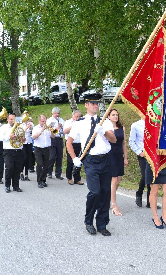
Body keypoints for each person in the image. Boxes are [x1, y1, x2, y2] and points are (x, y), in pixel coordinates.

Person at [67, 93, 116, 236]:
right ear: (86, 105)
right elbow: (69, 142)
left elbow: (113, 140)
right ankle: (88, 221)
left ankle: (102, 224)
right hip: (90, 160)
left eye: (97, 103)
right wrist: (74, 158)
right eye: (92, 103)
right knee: (95, 192)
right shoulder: (79, 122)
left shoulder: (104, 122)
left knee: (106, 192)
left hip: (105, 160)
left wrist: (103, 133)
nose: (95, 105)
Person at [128, 118, 160, 209]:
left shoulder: (155, 124)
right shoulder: (136, 125)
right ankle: (139, 193)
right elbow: (131, 141)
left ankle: (150, 201)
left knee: (152, 176)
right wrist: (139, 152)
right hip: (143, 154)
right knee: (145, 176)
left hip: (153, 154)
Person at [108, 109, 128, 216]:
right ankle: (114, 205)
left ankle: (109, 197)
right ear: (109, 117)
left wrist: (125, 157)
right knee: (114, 179)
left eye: (117, 114)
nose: (115, 116)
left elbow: (124, 143)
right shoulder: (107, 129)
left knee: (119, 179)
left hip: (119, 155)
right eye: (113, 115)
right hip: (110, 155)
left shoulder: (122, 128)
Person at [0, 113, 25, 193]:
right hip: (8, 150)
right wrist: (9, 137)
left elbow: (21, 137)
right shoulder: (4, 127)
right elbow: (0, 137)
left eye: (14, 119)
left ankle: (16, 186)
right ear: (7, 119)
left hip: (18, 150)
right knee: (9, 168)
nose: (12, 121)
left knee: (17, 169)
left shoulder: (19, 127)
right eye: (11, 119)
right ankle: (7, 185)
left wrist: (23, 140)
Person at [146, 164, 166, 229]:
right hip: (152, 164)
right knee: (154, 191)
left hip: (164, 164)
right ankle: (155, 217)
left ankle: (164, 217)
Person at [32, 115, 55, 188]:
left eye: (45, 121)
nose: (44, 122)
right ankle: (39, 181)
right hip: (38, 148)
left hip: (47, 148)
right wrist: (41, 131)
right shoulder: (36, 128)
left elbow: (54, 136)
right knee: (40, 164)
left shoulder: (48, 128)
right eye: (42, 121)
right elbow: (33, 137)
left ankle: (43, 180)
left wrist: (52, 131)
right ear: (39, 121)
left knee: (46, 165)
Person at [63, 109, 83, 185]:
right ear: (73, 116)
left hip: (79, 143)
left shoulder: (81, 123)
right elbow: (65, 131)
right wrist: (73, 125)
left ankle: (77, 178)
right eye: (76, 116)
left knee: (79, 161)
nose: (77, 118)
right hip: (70, 143)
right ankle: (69, 177)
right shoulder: (68, 122)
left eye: (79, 116)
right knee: (70, 161)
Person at [46, 107, 65, 180]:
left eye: (59, 113)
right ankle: (49, 172)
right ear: (53, 113)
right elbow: (51, 132)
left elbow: (64, 130)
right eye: (56, 113)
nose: (58, 115)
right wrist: (58, 127)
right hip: (53, 139)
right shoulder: (49, 121)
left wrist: (62, 127)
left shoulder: (61, 120)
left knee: (59, 157)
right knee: (52, 156)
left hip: (60, 139)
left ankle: (58, 173)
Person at [21, 116, 34, 181]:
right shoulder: (21, 125)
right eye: (25, 119)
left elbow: (33, 131)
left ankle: (26, 175)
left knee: (28, 158)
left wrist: (31, 127)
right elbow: (21, 132)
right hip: (23, 143)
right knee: (24, 158)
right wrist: (26, 127)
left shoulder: (30, 124)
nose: (27, 121)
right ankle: (21, 173)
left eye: (27, 119)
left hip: (29, 142)